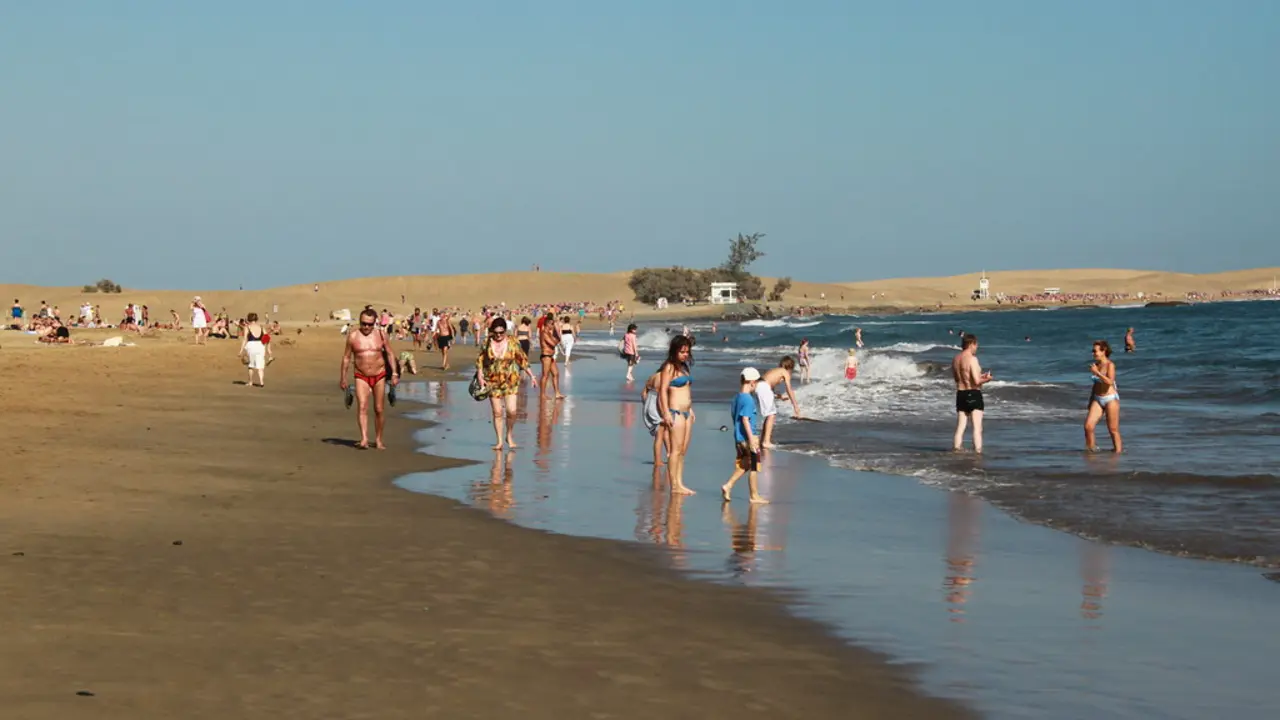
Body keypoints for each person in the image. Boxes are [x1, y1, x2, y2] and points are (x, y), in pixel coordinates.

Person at [339, 309, 399, 450]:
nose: (366, 327)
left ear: (374, 323)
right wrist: (343, 377)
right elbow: (347, 357)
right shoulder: (353, 336)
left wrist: (395, 373)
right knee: (362, 406)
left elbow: (390, 353)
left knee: (379, 409)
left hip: (379, 375)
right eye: (363, 323)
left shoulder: (381, 335)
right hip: (361, 375)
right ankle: (364, 439)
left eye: (369, 324)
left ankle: (378, 440)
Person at [476, 317, 539, 450]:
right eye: (496, 332)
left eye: (501, 332)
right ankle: (499, 441)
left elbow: (521, 359)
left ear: (505, 331)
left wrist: (532, 375)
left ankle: (509, 435)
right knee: (497, 412)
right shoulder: (487, 341)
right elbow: (481, 358)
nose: (498, 335)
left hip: (510, 380)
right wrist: (480, 375)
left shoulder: (512, 342)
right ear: (492, 331)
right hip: (492, 380)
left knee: (512, 411)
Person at [721, 367, 768, 504]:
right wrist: (752, 439)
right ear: (752, 382)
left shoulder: (737, 398)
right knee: (754, 466)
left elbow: (735, 416)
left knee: (745, 464)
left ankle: (728, 485)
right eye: (756, 383)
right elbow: (745, 419)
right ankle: (754, 495)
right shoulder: (748, 399)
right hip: (748, 437)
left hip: (738, 437)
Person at [658, 335, 696, 495]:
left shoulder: (684, 367)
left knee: (683, 450)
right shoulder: (669, 367)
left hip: (687, 412)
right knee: (675, 449)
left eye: (687, 352)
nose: (685, 354)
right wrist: (665, 412)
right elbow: (662, 391)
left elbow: (687, 390)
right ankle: (674, 485)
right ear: (674, 351)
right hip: (675, 412)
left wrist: (691, 409)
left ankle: (680, 482)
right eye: (682, 352)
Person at [951, 333, 993, 453]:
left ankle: (956, 450)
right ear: (971, 344)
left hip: (960, 394)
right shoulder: (972, 359)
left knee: (960, 428)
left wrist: (981, 376)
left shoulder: (956, 359)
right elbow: (976, 381)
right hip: (973, 393)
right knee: (977, 428)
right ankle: (978, 453)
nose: (977, 347)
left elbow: (958, 379)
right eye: (976, 344)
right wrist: (987, 379)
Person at [756, 357, 802, 449]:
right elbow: (789, 389)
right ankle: (766, 442)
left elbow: (769, 388)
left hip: (759, 386)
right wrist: (796, 406)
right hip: (763, 387)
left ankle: (763, 440)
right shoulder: (784, 372)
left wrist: (780, 397)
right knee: (771, 414)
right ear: (790, 368)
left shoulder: (775, 371)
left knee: (769, 415)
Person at [1085, 340, 1123, 453]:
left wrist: (1097, 373)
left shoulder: (1110, 365)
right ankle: (1091, 451)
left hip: (1110, 399)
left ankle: (1118, 454)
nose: (1093, 353)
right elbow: (1096, 383)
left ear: (1103, 351)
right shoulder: (1096, 365)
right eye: (1093, 351)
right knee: (1088, 426)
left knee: (1113, 429)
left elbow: (1109, 382)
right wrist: (1091, 399)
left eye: (1095, 351)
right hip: (1097, 398)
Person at [640, 371, 669, 466]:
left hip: (649, 401)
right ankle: (658, 460)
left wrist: (646, 404)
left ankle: (669, 453)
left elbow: (643, 393)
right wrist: (664, 413)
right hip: (656, 404)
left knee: (663, 430)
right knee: (660, 434)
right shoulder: (663, 378)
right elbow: (660, 398)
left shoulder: (654, 376)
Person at [538, 311, 565, 399]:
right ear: (548, 324)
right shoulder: (544, 333)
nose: (553, 326)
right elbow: (553, 344)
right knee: (545, 375)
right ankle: (542, 394)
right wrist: (556, 341)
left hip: (550, 356)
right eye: (552, 324)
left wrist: (556, 340)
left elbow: (557, 340)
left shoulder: (549, 333)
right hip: (546, 356)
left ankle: (557, 393)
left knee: (556, 373)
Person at [238, 312, 268, 387]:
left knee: (251, 365)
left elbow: (245, 339)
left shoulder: (247, 327)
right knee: (260, 366)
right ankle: (261, 382)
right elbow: (266, 337)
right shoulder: (261, 327)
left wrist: (241, 350)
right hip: (260, 346)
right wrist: (265, 346)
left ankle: (250, 382)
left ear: (248, 319)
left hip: (251, 346)